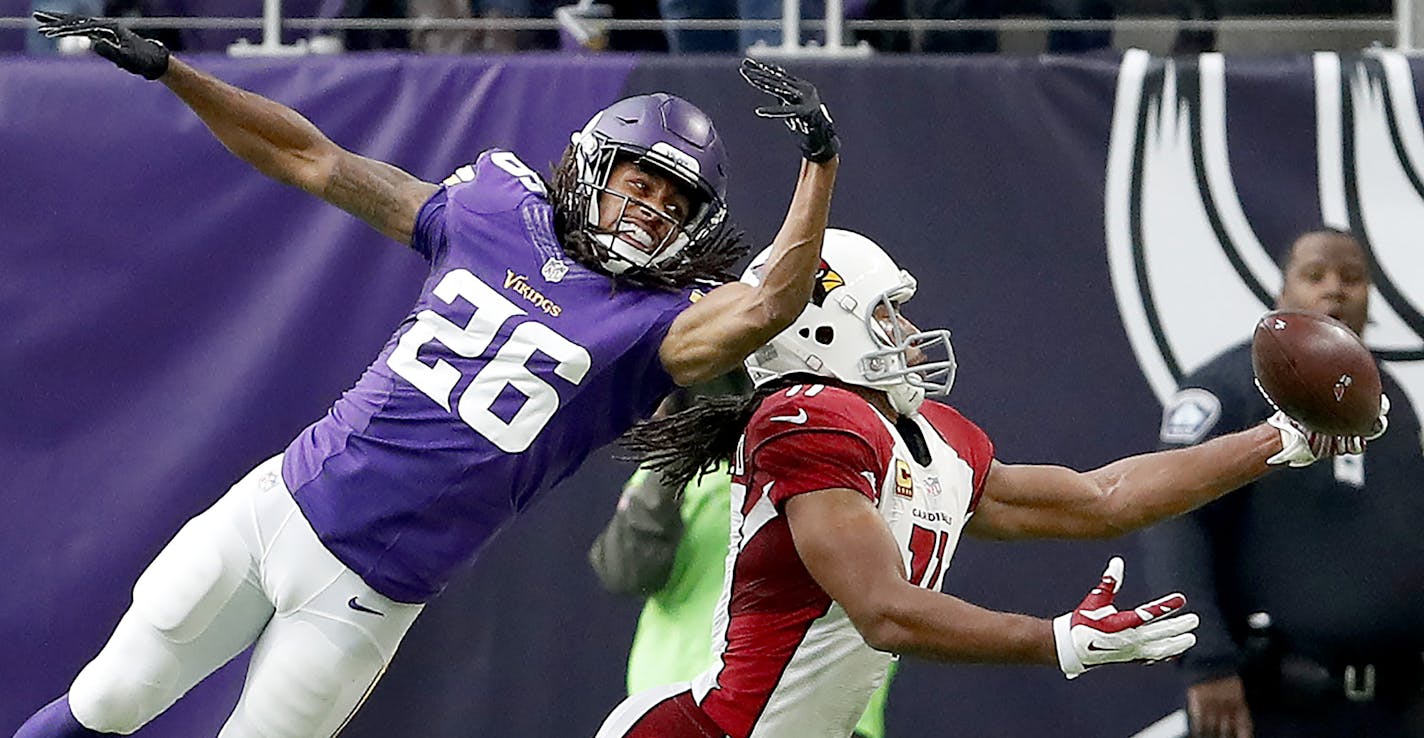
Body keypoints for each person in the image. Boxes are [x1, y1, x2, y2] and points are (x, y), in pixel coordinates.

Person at [19, 15, 841, 738]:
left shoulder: (656, 325)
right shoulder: (492, 213)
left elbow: (771, 303)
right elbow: (309, 158)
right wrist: (175, 71)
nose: (653, 206)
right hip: (273, 513)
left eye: (674, 198)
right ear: (594, 166)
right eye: (641, 180)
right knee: (109, 699)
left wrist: (819, 161)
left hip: (369, 598)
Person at [593, 228, 1389, 738]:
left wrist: (1277, 441)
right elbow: (885, 613)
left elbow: (1101, 498)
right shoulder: (806, 421)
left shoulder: (925, 436)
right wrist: (1056, 641)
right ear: (820, 330)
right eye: (886, 314)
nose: (905, 334)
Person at [1142, 227, 1424, 738]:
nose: (1335, 289)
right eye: (1315, 275)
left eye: (1353, 278)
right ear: (1282, 292)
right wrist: (1205, 660)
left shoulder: (1393, 403)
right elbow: (1174, 520)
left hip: (1392, 709)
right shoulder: (1230, 387)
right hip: (1275, 706)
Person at [588, 374, 897, 738]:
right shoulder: (683, 474)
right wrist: (679, 448)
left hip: (806, 713)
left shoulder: (853, 465)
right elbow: (627, 571)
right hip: (681, 706)